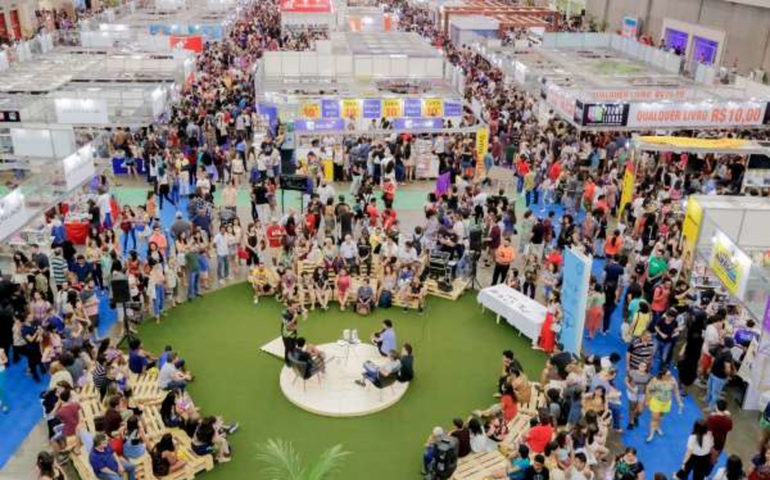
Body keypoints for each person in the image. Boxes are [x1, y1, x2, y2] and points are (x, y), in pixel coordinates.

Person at [645, 368, 683, 442]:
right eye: (668, 375)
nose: (670, 376)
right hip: (656, 402)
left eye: (670, 374)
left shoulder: (672, 380)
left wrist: (679, 402)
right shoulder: (655, 380)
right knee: (654, 418)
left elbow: (676, 392)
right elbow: (648, 389)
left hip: (666, 403)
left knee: (661, 417)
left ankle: (658, 427)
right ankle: (651, 434)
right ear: (662, 375)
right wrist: (647, 400)